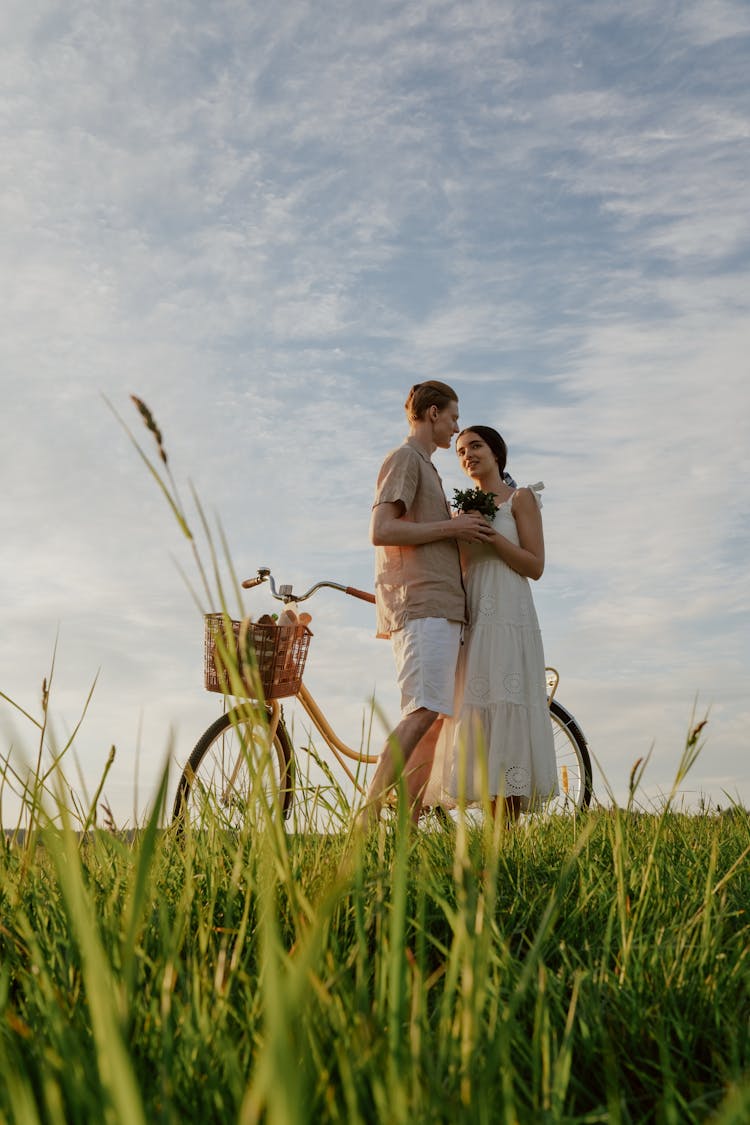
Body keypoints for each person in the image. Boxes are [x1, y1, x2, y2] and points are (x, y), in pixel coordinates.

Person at [356, 383, 496, 830]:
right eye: (454, 417)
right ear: (433, 413)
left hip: (440, 607)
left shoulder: (427, 468)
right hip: (421, 605)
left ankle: (406, 826)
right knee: (421, 711)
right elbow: (382, 529)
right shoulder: (405, 460)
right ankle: (365, 813)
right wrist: (450, 528)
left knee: (432, 718)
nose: (456, 427)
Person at [429, 425, 558, 823]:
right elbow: (459, 570)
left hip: (510, 615)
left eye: (476, 446)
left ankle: (509, 830)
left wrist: (492, 537)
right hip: (474, 619)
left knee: (508, 705)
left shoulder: (519, 499)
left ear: (497, 452)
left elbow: (534, 565)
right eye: (460, 451)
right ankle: (489, 832)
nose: (467, 454)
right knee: (477, 714)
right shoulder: (459, 512)